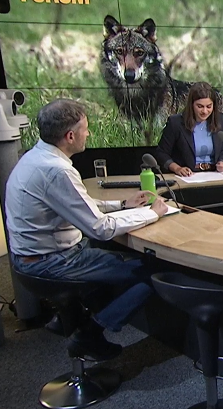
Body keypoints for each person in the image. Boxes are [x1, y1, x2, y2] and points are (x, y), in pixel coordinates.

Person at [6, 98, 168, 361]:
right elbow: (100, 229)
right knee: (154, 273)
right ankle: (90, 333)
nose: (88, 134)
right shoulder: (56, 170)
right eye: (85, 129)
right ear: (70, 135)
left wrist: (122, 204)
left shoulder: (35, 158)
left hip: (30, 261)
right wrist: (150, 213)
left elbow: (77, 205)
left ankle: (70, 318)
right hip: (51, 263)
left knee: (111, 259)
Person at [156, 81, 223, 177]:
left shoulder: (220, 119)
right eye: (200, 106)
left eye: (209, 106)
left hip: (214, 174)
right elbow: (161, 153)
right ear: (191, 105)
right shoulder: (176, 123)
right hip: (188, 176)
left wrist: (222, 162)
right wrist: (177, 168)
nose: (205, 111)